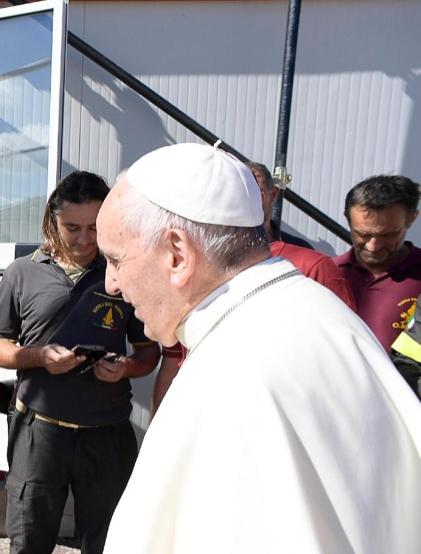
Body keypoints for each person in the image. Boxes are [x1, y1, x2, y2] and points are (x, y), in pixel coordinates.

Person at [92, 142, 421, 554]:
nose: (111, 285)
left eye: (116, 258)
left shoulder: (237, 369)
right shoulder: (315, 319)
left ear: (177, 252)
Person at [0, 171, 160, 554]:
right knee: (28, 546)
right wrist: (37, 358)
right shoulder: (22, 273)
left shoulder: (124, 274)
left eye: (92, 228)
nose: (83, 240)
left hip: (107, 435)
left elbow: (150, 351)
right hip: (40, 434)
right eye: (71, 228)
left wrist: (127, 368)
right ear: (51, 220)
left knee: (106, 550)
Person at [151, 161, 358, 410]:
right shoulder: (187, 267)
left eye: (251, 190)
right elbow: (175, 358)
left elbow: (345, 361)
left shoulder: (310, 264)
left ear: (267, 195)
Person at [333, 174, 421, 352]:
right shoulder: (327, 274)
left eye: (388, 235)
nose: (373, 246)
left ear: (412, 219)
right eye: (363, 234)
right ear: (347, 219)